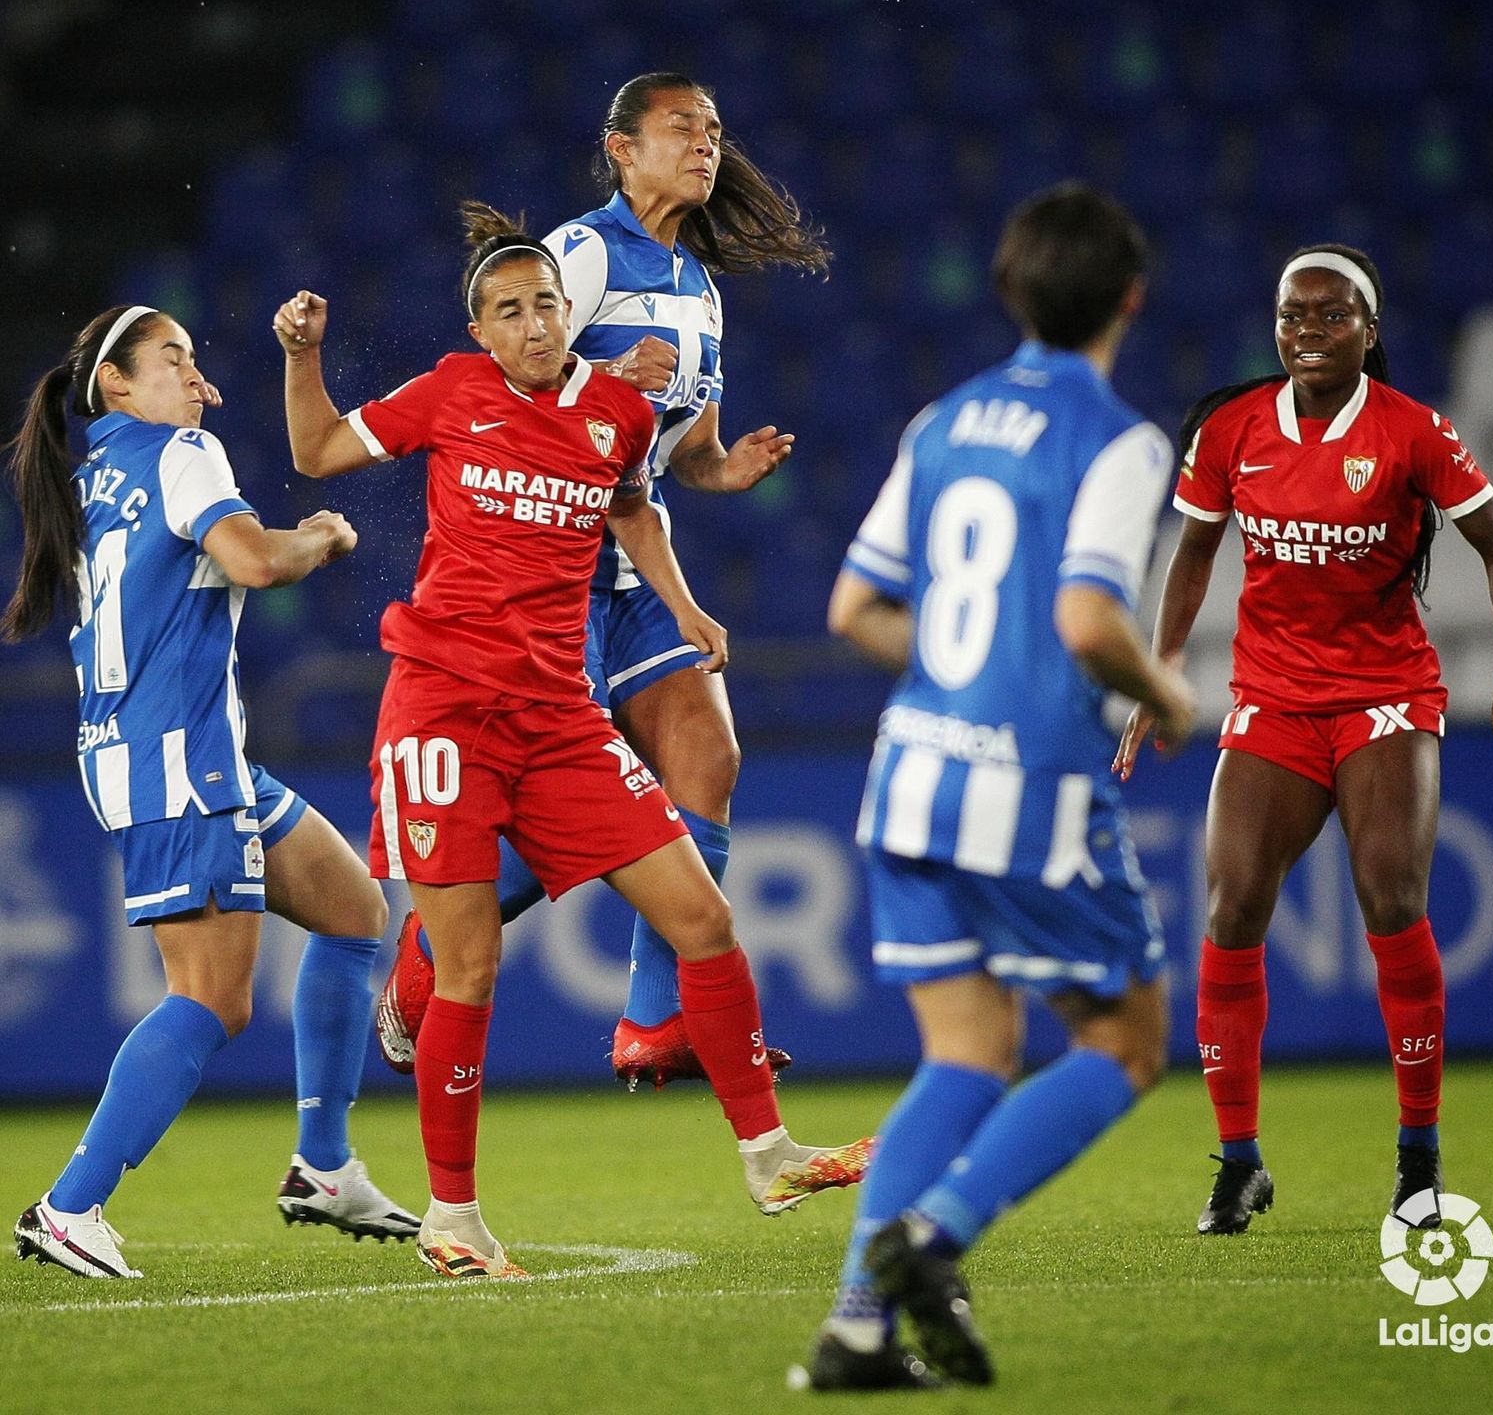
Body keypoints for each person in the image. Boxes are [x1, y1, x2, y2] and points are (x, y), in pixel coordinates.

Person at [274, 204, 868, 1281]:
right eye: (510, 310)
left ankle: (769, 1151)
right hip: (444, 709)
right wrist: (305, 354)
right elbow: (315, 451)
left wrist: (683, 608)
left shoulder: (617, 410)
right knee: (471, 963)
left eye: (545, 301)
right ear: (483, 333)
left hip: (558, 721)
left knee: (703, 915)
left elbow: (632, 509)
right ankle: (453, 1217)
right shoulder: (448, 393)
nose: (536, 322)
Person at [796, 184, 1196, 1392]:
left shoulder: (943, 418)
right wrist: (1170, 700)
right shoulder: (1119, 440)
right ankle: (933, 1234)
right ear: (1131, 296)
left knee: (965, 1051)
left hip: (911, 771)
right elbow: (1086, 618)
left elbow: (851, 609)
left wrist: (960, 684)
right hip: (1029, 785)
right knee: (1124, 1042)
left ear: (1010, 290)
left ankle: (856, 1330)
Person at [374, 72, 828, 1091]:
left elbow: (678, 452)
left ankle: (652, 1020)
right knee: (550, 816)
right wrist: (595, 387)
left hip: (632, 557)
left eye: (714, 129)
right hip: (552, 574)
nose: (705, 144)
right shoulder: (580, 255)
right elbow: (500, 385)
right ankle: (427, 947)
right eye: (682, 129)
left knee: (707, 757)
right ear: (622, 148)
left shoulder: (700, 288)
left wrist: (725, 468)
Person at [1114, 243, 1493, 1238]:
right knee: (1230, 907)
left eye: (1329, 315)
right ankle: (1237, 1163)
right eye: (1291, 315)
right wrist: (1159, 669)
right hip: (1271, 695)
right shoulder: (1233, 430)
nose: (1306, 332)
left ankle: (1417, 1159)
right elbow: (1192, 555)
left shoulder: (1413, 433)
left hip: (1385, 696)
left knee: (1391, 895)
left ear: (1370, 329)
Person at [4, 304, 420, 1281]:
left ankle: (322, 1166)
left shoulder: (97, 474)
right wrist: (317, 535)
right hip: (179, 764)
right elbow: (253, 560)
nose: (202, 382)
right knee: (212, 999)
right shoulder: (179, 449)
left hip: (171, 755)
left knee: (356, 910)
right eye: (175, 361)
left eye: (195, 361)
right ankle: (69, 1206)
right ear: (115, 384)